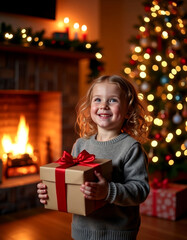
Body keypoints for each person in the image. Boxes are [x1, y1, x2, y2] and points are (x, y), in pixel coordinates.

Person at [37, 75, 150, 240]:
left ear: (128, 111)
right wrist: (51, 190)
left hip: (117, 233)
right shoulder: (80, 145)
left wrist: (108, 191)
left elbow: (140, 190)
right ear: (90, 107)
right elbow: (70, 181)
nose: (103, 105)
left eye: (112, 100)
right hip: (82, 230)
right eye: (98, 99)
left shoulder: (131, 148)